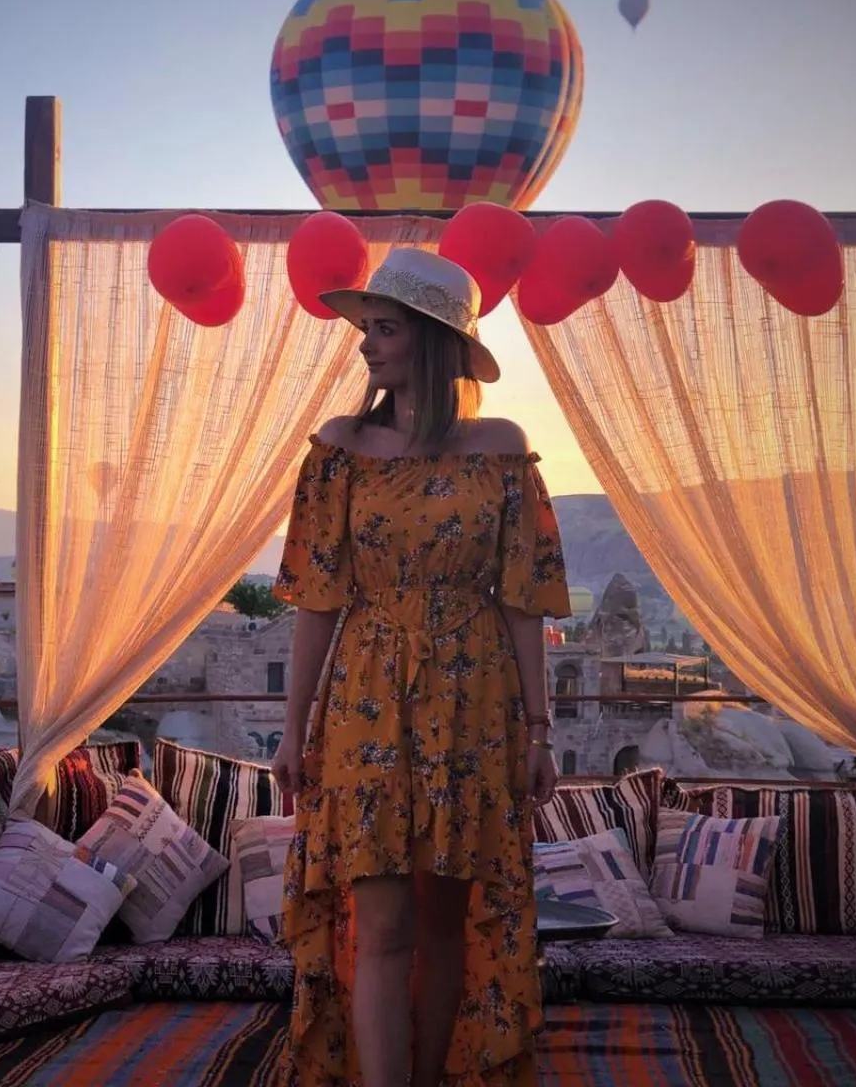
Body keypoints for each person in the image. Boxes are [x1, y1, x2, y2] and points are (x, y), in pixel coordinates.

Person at [270, 247, 571, 1087]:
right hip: (366, 699)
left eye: (385, 328)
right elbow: (316, 601)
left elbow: (522, 600)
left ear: (435, 342)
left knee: (446, 923)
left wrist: (540, 733)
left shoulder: (502, 450)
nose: (366, 345)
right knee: (383, 924)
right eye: (367, 328)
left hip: (476, 704)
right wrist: (293, 731)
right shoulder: (340, 449)